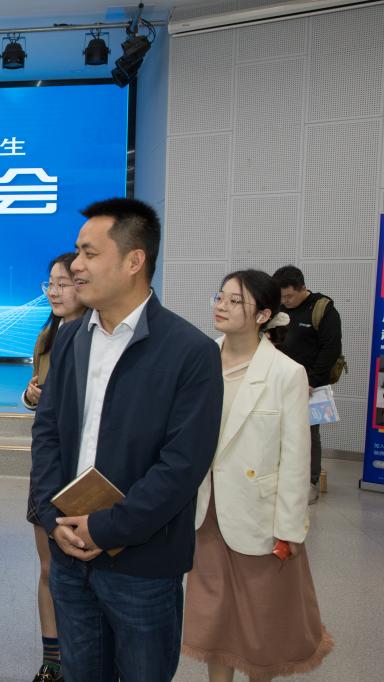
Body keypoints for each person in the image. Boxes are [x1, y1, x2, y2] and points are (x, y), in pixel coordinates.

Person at [30, 198, 223, 682]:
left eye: (90, 253)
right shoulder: (71, 338)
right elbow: (48, 433)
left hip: (143, 563)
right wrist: (52, 518)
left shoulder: (189, 352)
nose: (76, 266)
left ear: (134, 260)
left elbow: (182, 466)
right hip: (69, 553)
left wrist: (107, 528)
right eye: (77, 252)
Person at [183, 269, 333, 680]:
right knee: (213, 617)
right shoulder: (201, 360)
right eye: (220, 297)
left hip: (261, 517)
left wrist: (289, 529)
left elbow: (296, 457)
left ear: (263, 315)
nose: (222, 306)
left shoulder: (286, 373)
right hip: (208, 510)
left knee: (260, 620)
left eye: (236, 301)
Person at [23, 252, 85, 682]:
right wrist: (31, 396)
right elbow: (36, 397)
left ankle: (82, 656)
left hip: (83, 472)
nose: (55, 291)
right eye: (51, 283)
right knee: (48, 568)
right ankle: (52, 659)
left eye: (64, 283)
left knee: (80, 573)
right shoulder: (47, 335)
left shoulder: (97, 337)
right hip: (48, 470)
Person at [271, 265, 342, 504]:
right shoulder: (277, 308)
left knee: (307, 433)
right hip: (278, 381)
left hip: (309, 385)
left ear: (303, 288)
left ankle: (309, 483)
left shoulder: (323, 309)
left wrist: (311, 381)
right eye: (281, 297)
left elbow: (331, 349)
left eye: (289, 296)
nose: (285, 301)